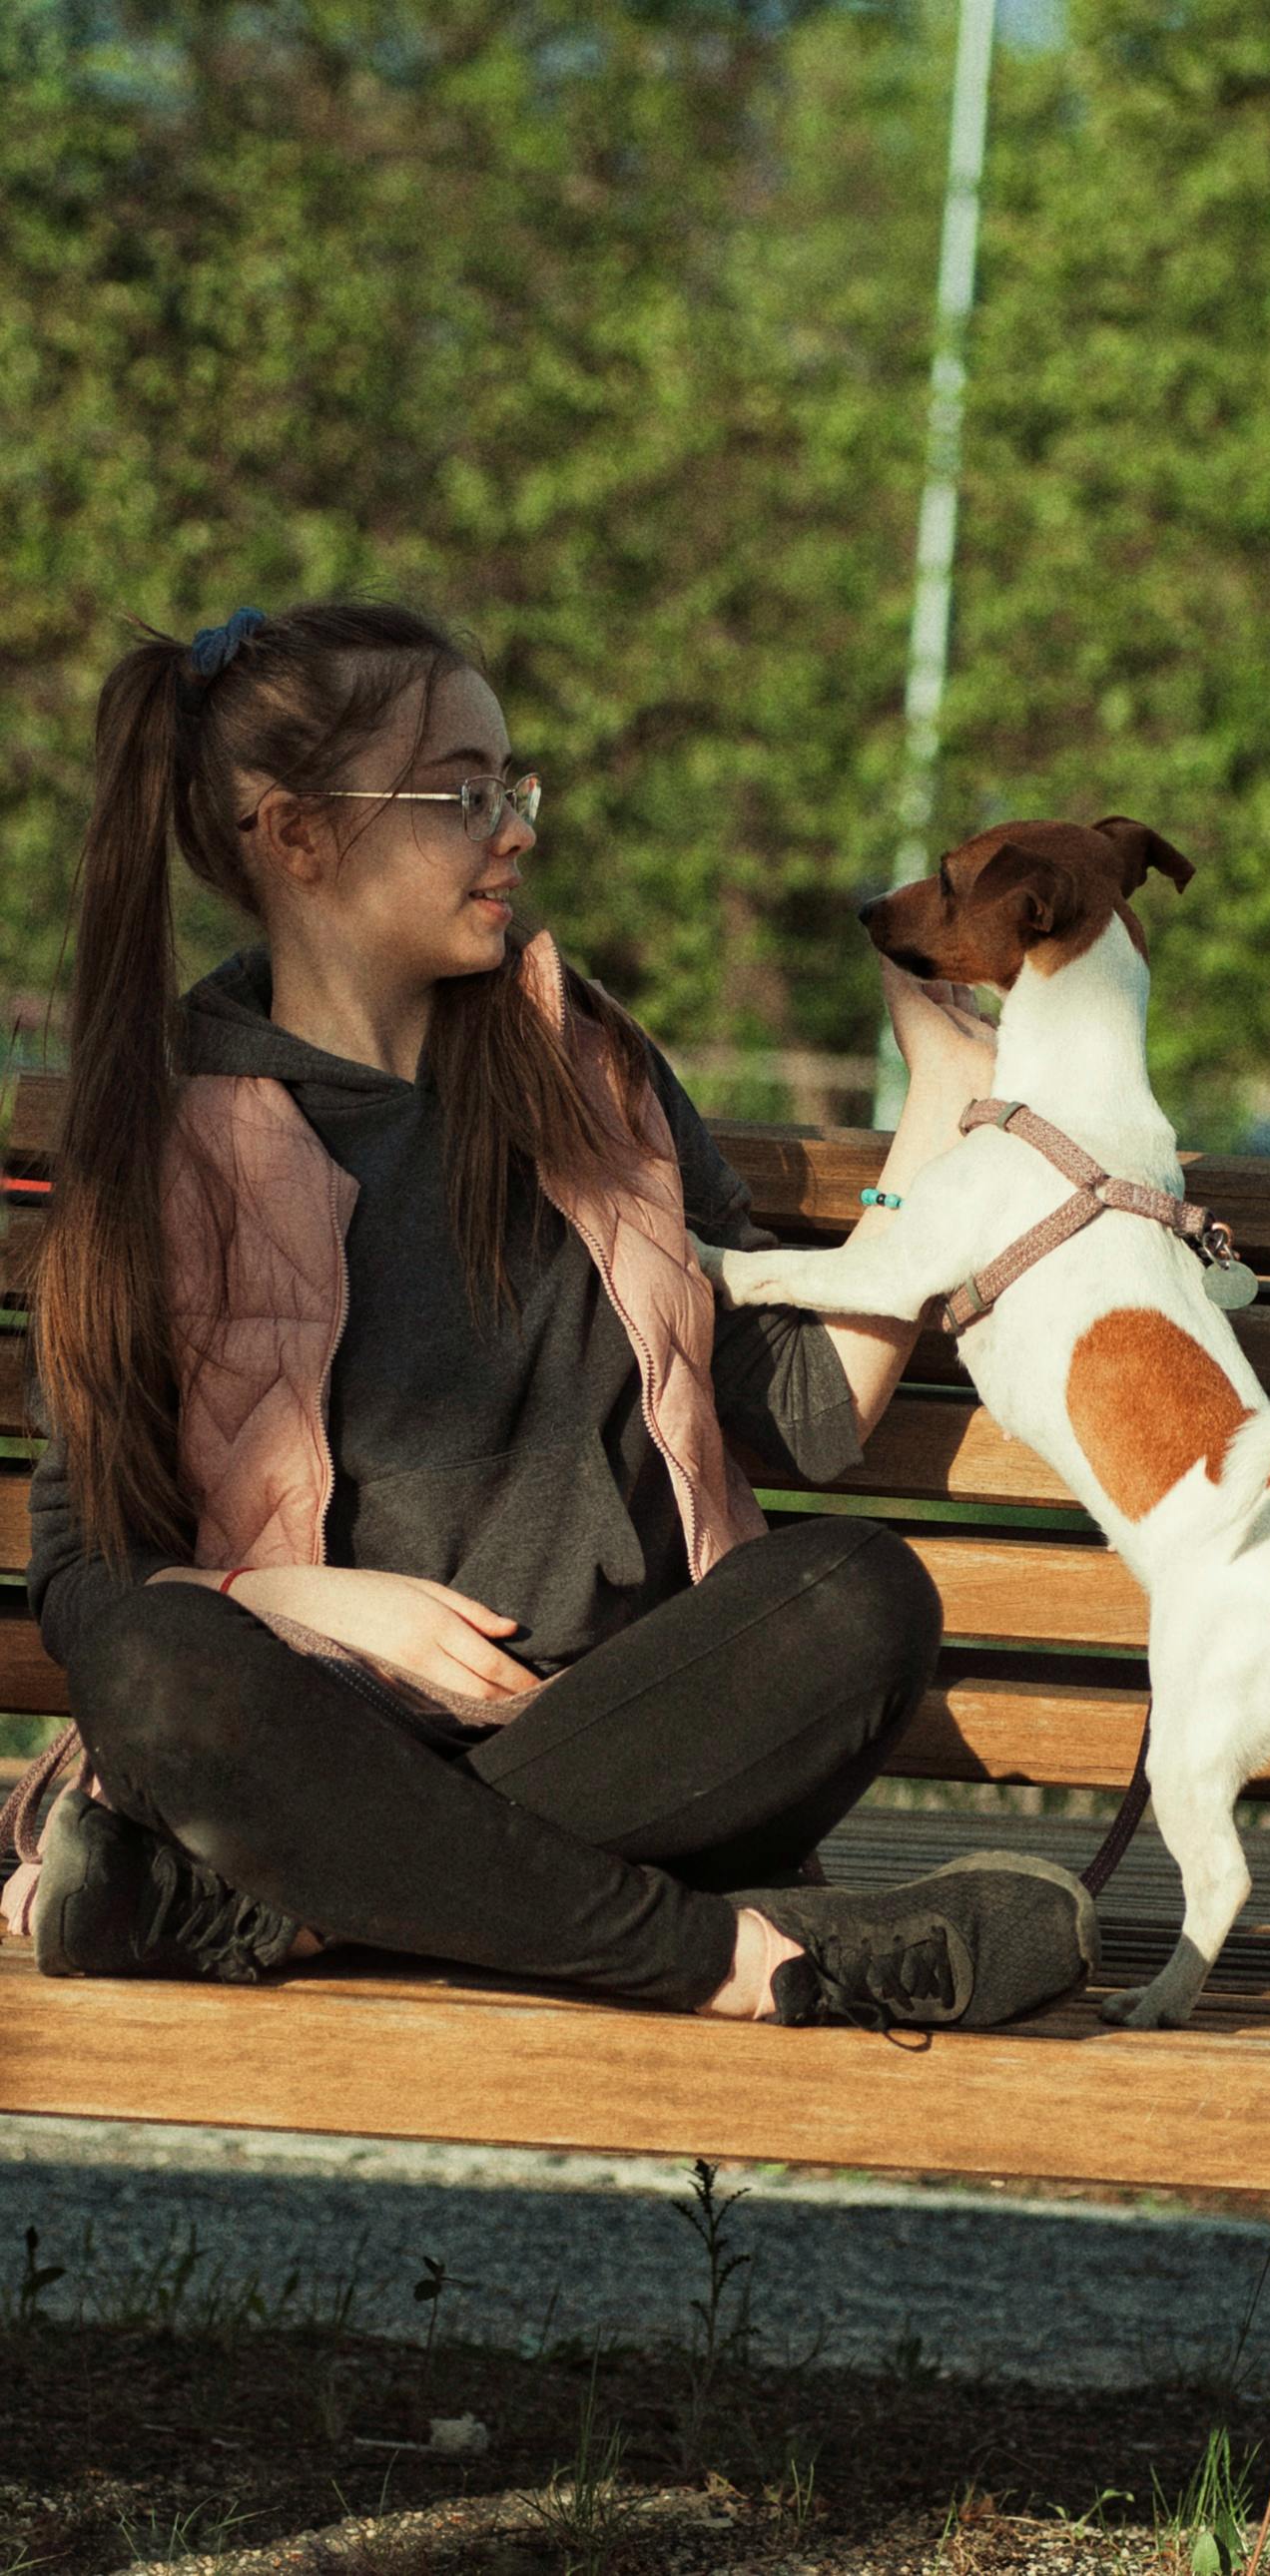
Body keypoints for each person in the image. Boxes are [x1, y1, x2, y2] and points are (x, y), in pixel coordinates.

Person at [2, 598, 1095, 2031]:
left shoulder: (582, 1057)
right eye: (461, 793)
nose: (514, 827)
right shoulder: (161, 1135)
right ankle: (735, 1958)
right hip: (306, 1737)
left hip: (617, 1737)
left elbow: (808, 1408)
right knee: (158, 1664)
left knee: (861, 1597)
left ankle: (289, 1909)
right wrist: (284, 1597)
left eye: (512, 787)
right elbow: (85, 1586)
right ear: (299, 835)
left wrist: (943, 1112)